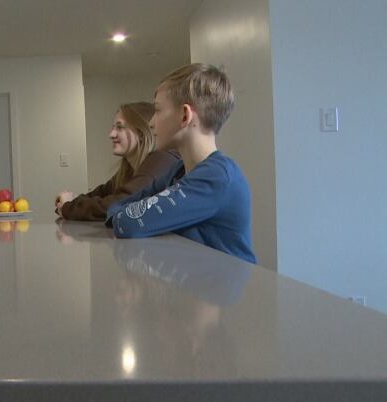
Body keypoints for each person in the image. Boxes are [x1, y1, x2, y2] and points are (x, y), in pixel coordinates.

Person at [106, 64, 256, 263]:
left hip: (223, 291)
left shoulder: (217, 176)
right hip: (195, 288)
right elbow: (118, 208)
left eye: (157, 110)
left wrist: (124, 217)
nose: (151, 123)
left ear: (185, 115)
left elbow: (127, 223)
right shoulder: (178, 171)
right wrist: (123, 216)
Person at [54, 102, 180, 220]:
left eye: (120, 127)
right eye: (113, 128)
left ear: (141, 133)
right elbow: (102, 194)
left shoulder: (161, 159)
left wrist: (68, 207)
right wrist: (72, 201)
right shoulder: (129, 170)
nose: (112, 134)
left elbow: (120, 203)